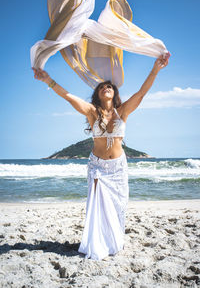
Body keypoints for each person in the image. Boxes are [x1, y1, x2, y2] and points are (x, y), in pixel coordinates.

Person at [32, 52, 170, 260]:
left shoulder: (122, 112)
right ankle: (96, 243)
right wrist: (48, 80)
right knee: (97, 206)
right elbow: (68, 96)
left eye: (110, 87)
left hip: (117, 167)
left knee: (117, 206)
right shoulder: (91, 112)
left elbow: (142, 93)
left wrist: (155, 69)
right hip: (97, 166)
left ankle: (113, 242)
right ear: (98, 93)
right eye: (103, 87)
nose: (107, 88)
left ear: (114, 93)